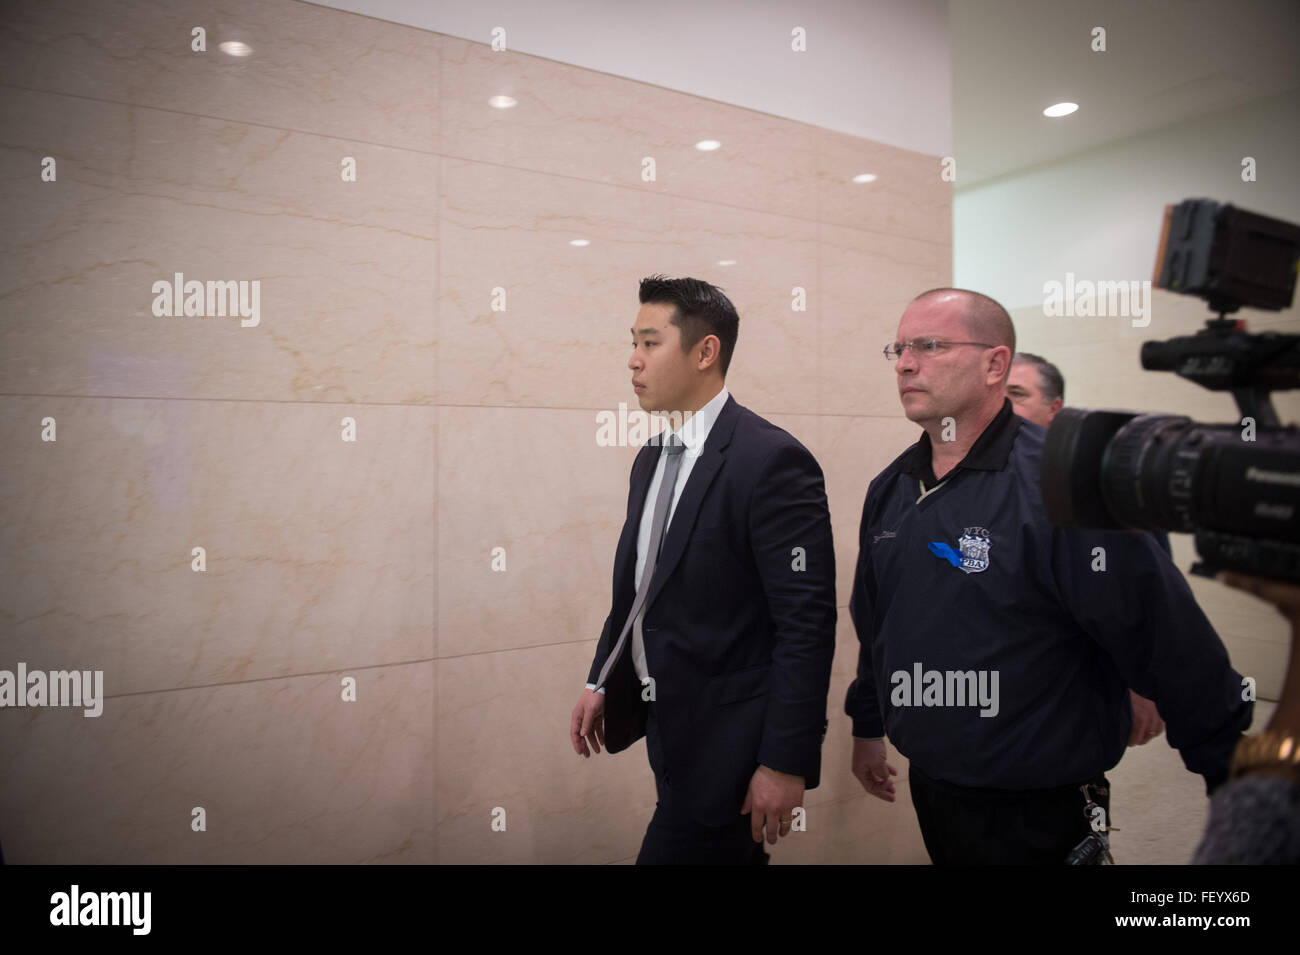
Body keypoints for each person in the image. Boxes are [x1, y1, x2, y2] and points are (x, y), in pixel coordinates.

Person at [846, 287, 1253, 865]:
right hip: (934, 784)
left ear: (996, 364)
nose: (907, 363)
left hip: (1042, 801)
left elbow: (1167, 638)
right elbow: (877, 622)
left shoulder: (1064, 486)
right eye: (900, 349)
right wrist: (868, 722)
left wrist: (1233, 780)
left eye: (930, 346)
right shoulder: (891, 488)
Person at [569, 275, 836, 865]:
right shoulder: (652, 457)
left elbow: (806, 625)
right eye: (632, 343)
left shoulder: (770, 461)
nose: (632, 360)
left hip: (733, 741)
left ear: (705, 351)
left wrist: (785, 760)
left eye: (649, 343)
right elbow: (640, 591)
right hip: (668, 723)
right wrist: (601, 678)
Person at [1007, 351, 1166, 749]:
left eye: (1018, 394)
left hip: (1079, 699)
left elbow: (1148, 598)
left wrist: (1144, 685)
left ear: (1054, 408)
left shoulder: (1101, 483)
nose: (1004, 407)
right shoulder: (972, 478)